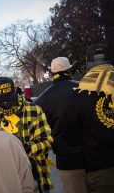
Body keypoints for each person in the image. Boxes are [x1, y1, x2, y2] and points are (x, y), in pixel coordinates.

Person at [69, 46, 114, 193]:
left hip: (101, 176)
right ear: (110, 62)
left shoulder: (79, 96)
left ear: (88, 64)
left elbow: (72, 136)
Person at [0, 77, 54, 193]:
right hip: (5, 179)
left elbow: (47, 140)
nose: (5, 104)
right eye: (1, 101)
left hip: (35, 174)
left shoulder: (34, 110)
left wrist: (25, 148)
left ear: (15, 91)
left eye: (8, 100)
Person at [34, 57, 87, 193]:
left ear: (52, 73)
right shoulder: (85, 88)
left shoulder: (42, 99)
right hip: (94, 155)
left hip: (67, 161)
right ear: (69, 69)